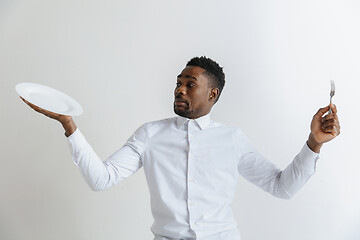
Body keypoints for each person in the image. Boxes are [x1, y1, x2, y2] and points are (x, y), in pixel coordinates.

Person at [21, 56, 340, 240]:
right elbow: (101, 179)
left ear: (212, 95)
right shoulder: (150, 135)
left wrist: (313, 144)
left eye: (190, 84)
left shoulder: (232, 139)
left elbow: (281, 187)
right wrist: (69, 126)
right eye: (178, 82)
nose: (179, 89)